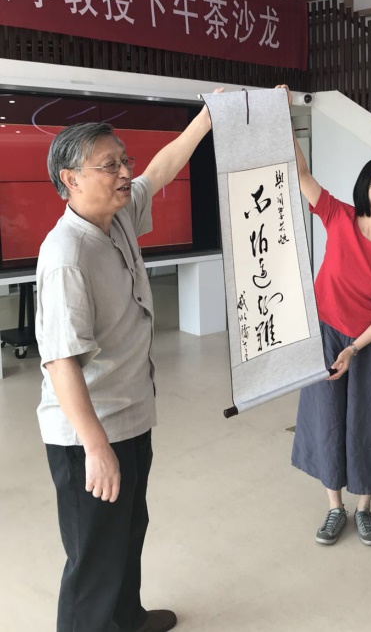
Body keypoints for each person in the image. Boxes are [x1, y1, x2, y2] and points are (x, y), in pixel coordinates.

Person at [35, 96, 219, 632]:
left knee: (128, 529)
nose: (125, 173)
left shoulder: (115, 217)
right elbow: (61, 363)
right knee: (94, 554)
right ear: (71, 179)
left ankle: (127, 619)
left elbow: (160, 169)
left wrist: (206, 120)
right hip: (89, 432)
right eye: (109, 165)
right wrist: (96, 447)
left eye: (124, 161)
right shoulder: (67, 256)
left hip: (131, 412)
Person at [277, 85, 371, 546]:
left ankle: (364, 509)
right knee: (326, 419)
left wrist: (355, 348)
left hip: (369, 345)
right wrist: (286, 115)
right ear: (366, 187)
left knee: (370, 422)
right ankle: (334, 507)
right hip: (325, 336)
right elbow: (301, 173)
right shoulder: (337, 215)